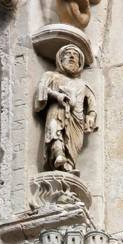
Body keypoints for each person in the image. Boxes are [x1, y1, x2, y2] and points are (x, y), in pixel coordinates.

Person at [34, 44, 97, 172]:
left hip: (77, 119)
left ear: (80, 62)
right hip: (58, 110)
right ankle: (58, 154)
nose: (72, 56)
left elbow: (92, 101)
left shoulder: (83, 84)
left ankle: (68, 167)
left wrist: (91, 115)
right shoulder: (51, 76)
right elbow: (42, 90)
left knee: (75, 144)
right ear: (60, 59)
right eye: (68, 54)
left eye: (75, 55)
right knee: (54, 128)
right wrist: (57, 96)